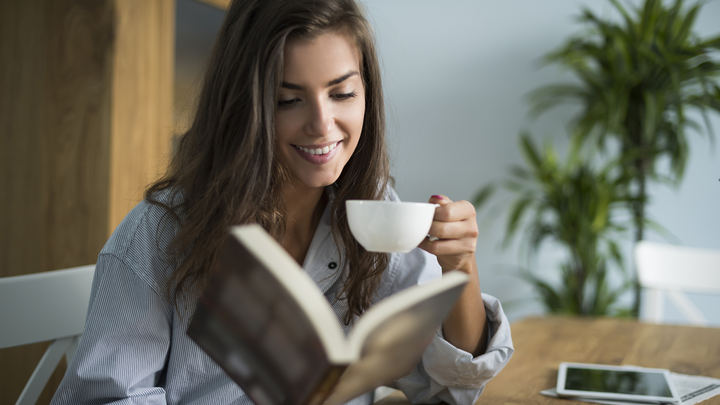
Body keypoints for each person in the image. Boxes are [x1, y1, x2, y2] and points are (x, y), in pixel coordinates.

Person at [50, 0, 513, 404]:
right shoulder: (159, 233)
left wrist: (461, 270)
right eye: (288, 100)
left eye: (342, 93)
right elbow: (109, 399)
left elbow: (451, 389)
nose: (322, 124)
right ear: (243, 106)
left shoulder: (374, 215)